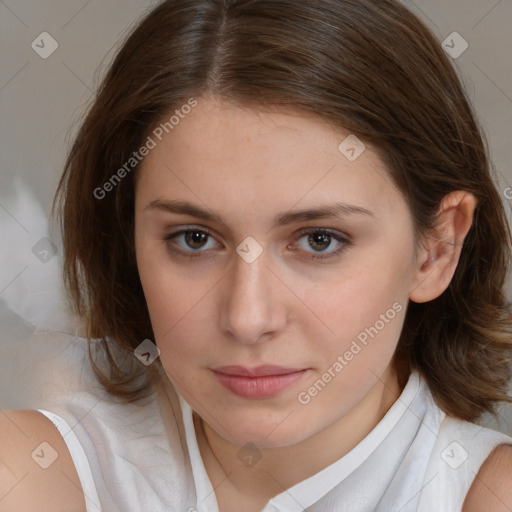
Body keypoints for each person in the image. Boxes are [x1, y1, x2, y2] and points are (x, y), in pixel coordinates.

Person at [1, 0, 512, 510]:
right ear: (128, 238)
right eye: (194, 239)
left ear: (436, 249)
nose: (248, 318)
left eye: (319, 240)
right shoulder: (32, 471)